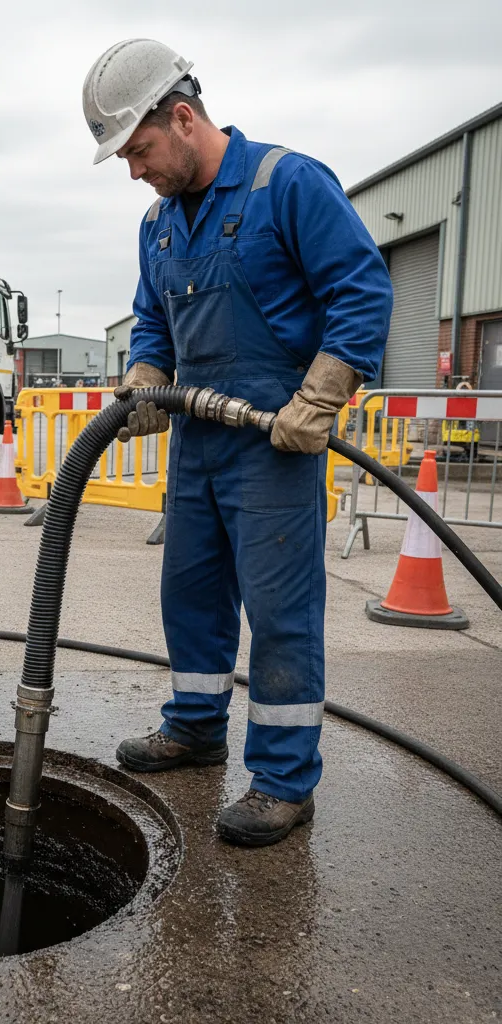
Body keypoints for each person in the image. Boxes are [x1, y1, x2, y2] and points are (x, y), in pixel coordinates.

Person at [83, 39, 392, 846]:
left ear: (183, 118)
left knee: (281, 615)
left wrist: (321, 397)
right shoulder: (157, 224)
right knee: (189, 596)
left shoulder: (285, 183)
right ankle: (193, 728)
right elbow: (153, 318)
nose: (134, 171)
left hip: (274, 444)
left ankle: (286, 782)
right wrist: (145, 375)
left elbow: (361, 288)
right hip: (198, 443)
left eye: (139, 150)